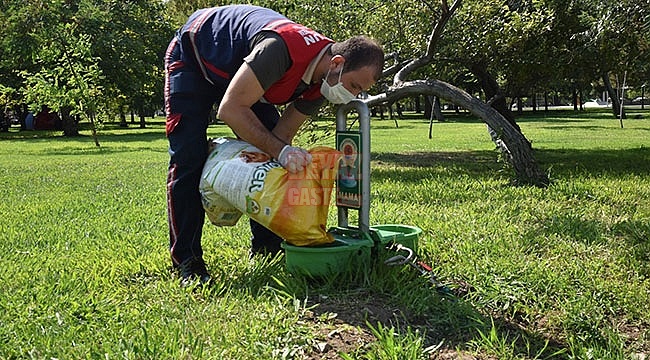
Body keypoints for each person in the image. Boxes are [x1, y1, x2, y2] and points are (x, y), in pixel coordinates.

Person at [164, 4, 384, 285]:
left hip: (244, 77)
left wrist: (283, 153)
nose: (353, 95)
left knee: (268, 154)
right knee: (188, 156)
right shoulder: (280, 49)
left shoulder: (323, 82)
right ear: (338, 63)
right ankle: (188, 261)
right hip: (194, 57)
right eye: (354, 86)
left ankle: (267, 247)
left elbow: (282, 134)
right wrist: (279, 149)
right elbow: (230, 109)